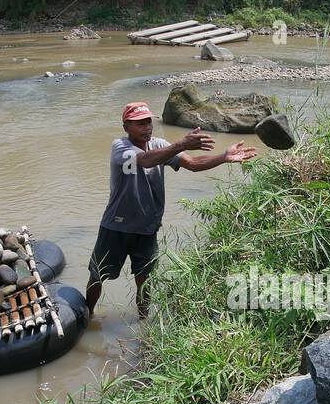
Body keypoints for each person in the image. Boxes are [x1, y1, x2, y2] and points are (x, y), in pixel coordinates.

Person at [86, 101, 257, 319]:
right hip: (116, 226)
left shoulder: (159, 144)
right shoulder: (120, 147)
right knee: (98, 275)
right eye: (139, 123)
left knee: (145, 280)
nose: (147, 126)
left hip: (147, 228)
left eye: (148, 121)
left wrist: (223, 157)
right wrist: (181, 144)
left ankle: (143, 323)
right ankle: (87, 317)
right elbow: (145, 161)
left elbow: (193, 163)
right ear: (126, 126)